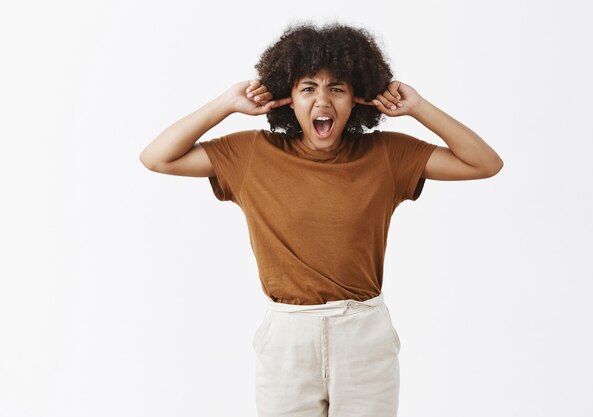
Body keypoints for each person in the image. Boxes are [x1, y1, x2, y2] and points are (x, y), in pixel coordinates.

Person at [139, 21, 503, 417]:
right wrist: (225, 103)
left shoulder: (386, 155)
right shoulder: (250, 154)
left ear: (356, 100)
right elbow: (158, 157)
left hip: (364, 335)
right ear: (287, 98)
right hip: (287, 338)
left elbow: (485, 163)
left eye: (337, 88)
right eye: (308, 88)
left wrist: (418, 107)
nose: (322, 100)